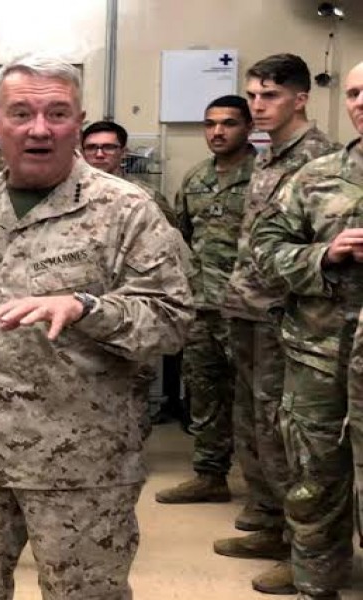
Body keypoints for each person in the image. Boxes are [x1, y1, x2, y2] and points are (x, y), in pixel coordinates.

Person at [0, 53, 193, 599]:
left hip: (80, 466)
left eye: (58, 114)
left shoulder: (126, 211)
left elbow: (172, 319)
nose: (39, 129)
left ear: (80, 123)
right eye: (21, 113)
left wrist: (91, 308)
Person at [217, 54, 340, 596]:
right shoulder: (269, 157)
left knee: (287, 435)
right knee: (253, 424)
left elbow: (322, 249)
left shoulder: (322, 160)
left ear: (300, 98)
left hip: (289, 318)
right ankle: (268, 522)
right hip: (248, 310)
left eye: (268, 96)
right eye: (253, 96)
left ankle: (303, 549)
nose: (257, 106)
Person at [250, 60, 363, 600]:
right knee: (314, 478)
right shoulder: (315, 178)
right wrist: (323, 254)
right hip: (321, 355)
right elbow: (264, 254)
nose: (360, 102)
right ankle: (317, 582)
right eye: (353, 92)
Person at [156, 95, 255, 505]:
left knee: (254, 405)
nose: (217, 131)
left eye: (228, 123)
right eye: (210, 123)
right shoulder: (196, 179)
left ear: (248, 127)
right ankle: (209, 476)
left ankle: (265, 498)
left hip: (251, 310)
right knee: (205, 395)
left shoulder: (264, 176)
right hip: (203, 308)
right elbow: (183, 237)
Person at [80, 120, 177, 226]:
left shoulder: (146, 196)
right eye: (91, 147)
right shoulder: (71, 192)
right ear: (82, 153)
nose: (99, 154)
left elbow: (170, 238)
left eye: (108, 147)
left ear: (123, 153)